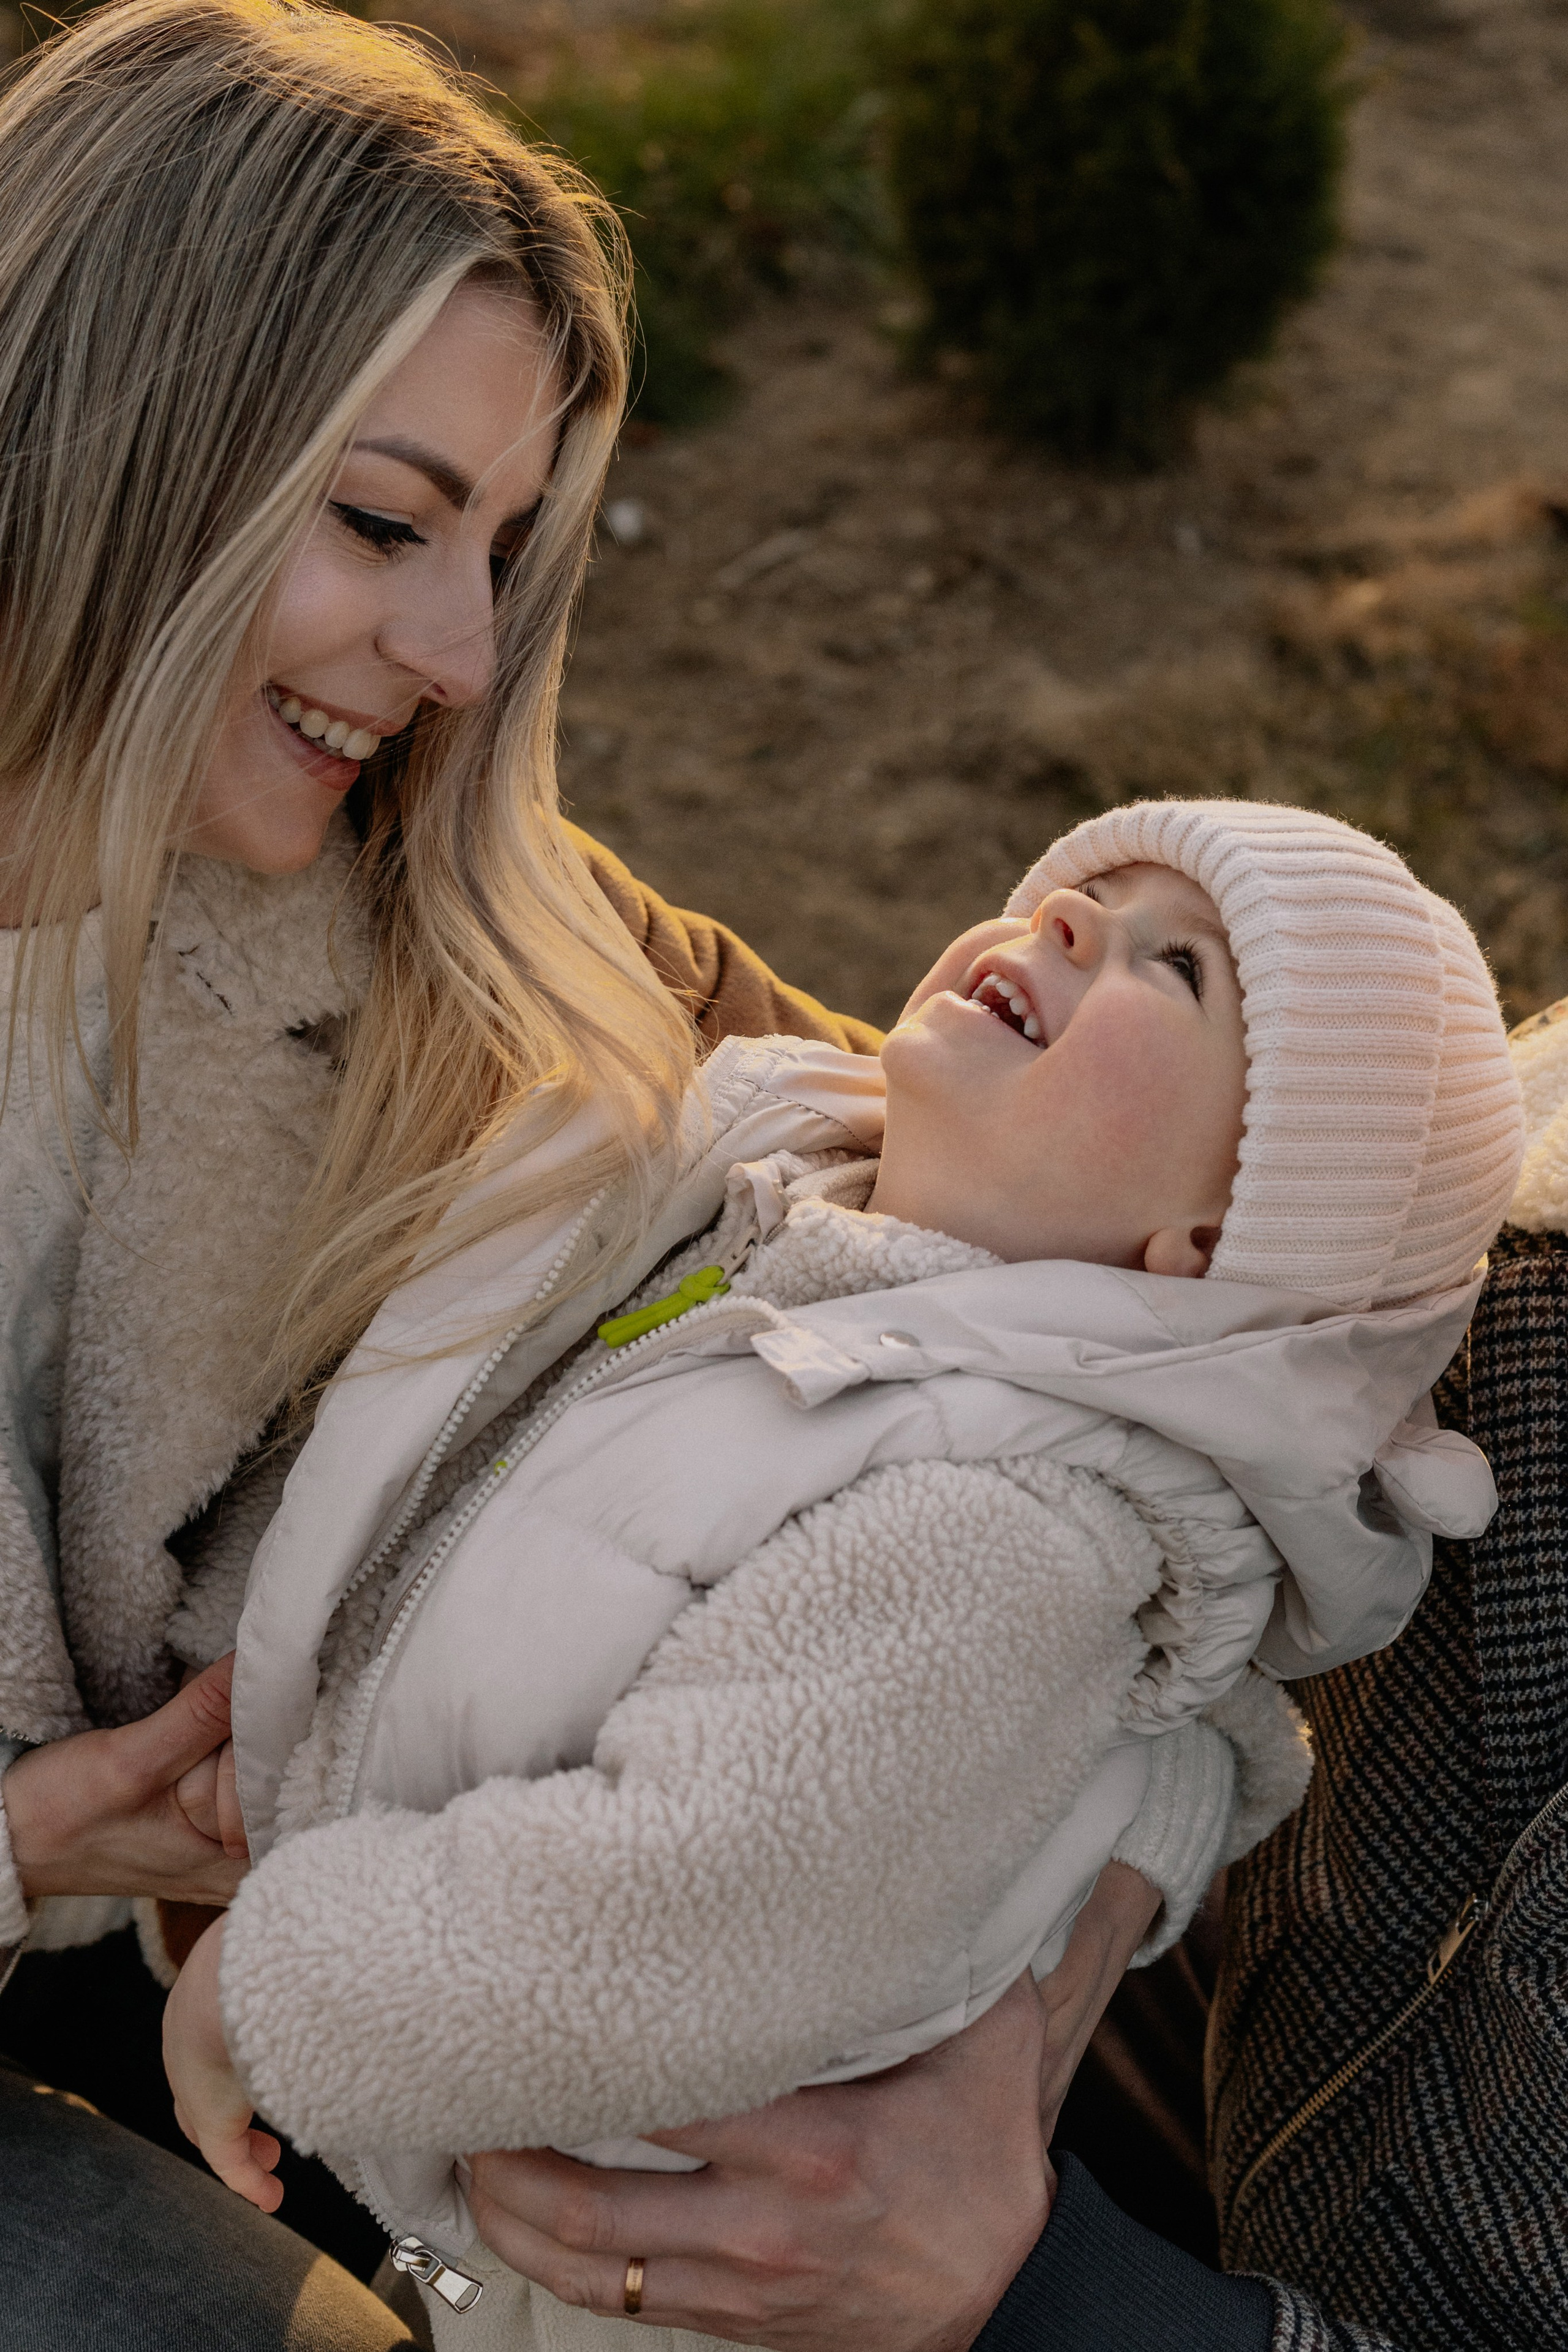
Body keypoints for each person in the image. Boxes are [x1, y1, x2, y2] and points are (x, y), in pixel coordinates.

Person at [158, 801, 1523, 2348]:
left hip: (619, 2281)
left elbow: (680, 1916)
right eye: (1084, 891)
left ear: (1212, 1236)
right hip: (465, 2190)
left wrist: (278, 1992)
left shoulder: (1010, 1532)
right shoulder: (768, 1220)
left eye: (1179, 966)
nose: (1066, 921)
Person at [0, 4, 875, 2343]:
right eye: (384, 524)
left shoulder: (437, 914)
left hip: (275, 2016)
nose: (463, 655)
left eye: (497, 547)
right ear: (121, 434)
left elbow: (957, 1149)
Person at [437, 998, 1568, 2352]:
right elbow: (1153, 1282)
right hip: (1189, 2034)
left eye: (1170, 959)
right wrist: (1147, 1808)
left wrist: (1029, 2290)